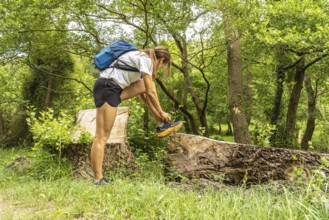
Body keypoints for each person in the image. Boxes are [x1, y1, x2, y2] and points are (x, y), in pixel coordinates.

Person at [91, 45, 183, 185]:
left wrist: (158, 114)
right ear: (161, 60)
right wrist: (161, 111)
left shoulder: (138, 58)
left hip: (113, 88)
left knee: (143, 85)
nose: (159, 69)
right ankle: (98, 179)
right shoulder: (144, 59)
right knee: (101, 136)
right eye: (162, 66)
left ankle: (161, 125)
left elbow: (145, 91)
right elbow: (151, 92)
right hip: (107, 88)